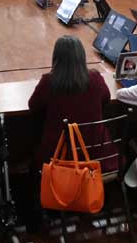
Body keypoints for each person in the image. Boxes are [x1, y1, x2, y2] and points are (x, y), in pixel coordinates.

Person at [28, 36, 111, 166]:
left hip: (58, 158)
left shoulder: (49, 82)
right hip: (94, 155)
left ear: (56, 58)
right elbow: (106, 99)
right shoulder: (95, 78)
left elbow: (33, 106)